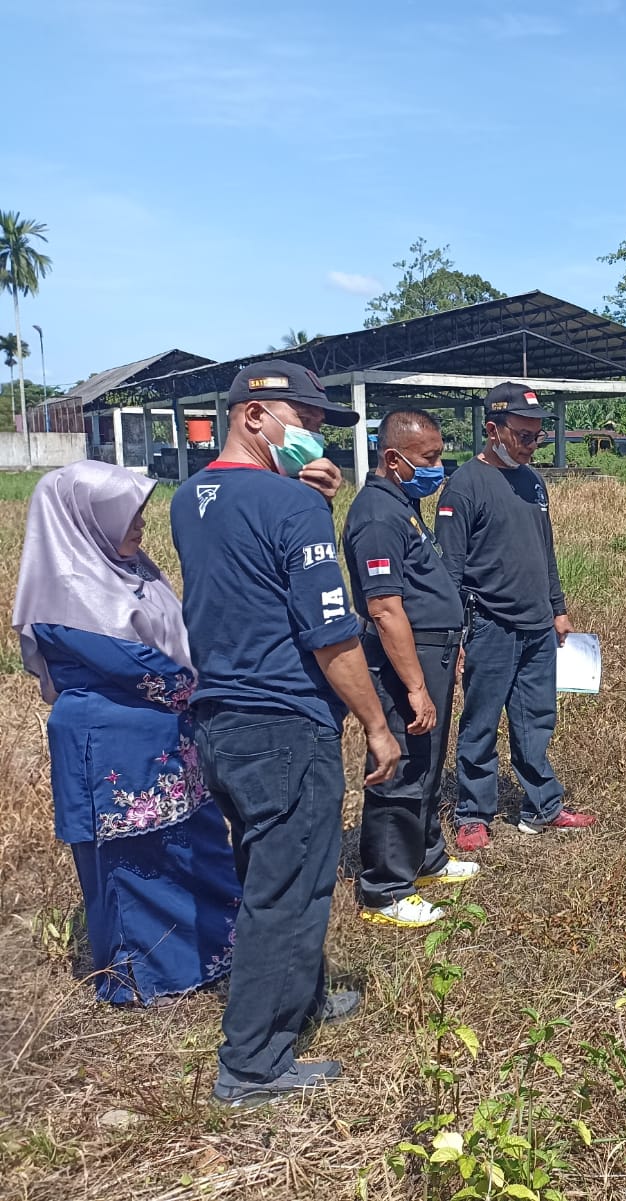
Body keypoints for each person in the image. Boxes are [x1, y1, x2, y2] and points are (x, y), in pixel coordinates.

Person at [171, 360, 401, 1107]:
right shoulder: (291, 507)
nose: (312, 438)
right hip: (283, 724)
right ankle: (253, 1062)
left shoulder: (189, 497)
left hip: (221, 721)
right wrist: (376, 723)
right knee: (292, 886)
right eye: (302, 422)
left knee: (264, 868)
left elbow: (249, 574)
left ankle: (296, 1000)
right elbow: (331, 632)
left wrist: (301, 503)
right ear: (255, 416)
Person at [12, 461, 240, 1007]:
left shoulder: (132, 569)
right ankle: (146, 982)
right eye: (126, 515)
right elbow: (141, 669)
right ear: (84, 520)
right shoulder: (64, 590)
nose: (139, 525)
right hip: (112, 744)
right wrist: (209, 689)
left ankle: (212, 954)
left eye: (139, 512)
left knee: (190, 845)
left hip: (168, 741)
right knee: (132, 863)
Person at [437, 382, 594, 852]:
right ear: (492, 430)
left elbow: (544, 551)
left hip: (537, 626)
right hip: (489, 625)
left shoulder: (533, 482)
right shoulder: (464, 486)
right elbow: (451, 569)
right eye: (523, 436)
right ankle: (473, 813)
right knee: (481, 721)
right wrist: (457, 634)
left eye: (537, 437)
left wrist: (558, 609)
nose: (531, 445)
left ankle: (543, 806)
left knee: (536, 719)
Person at [343, 409, 478, 929]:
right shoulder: (377, 515)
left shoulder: (404, 506)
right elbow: (385, 608)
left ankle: (425, 859)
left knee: (426, 759)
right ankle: (385, 888)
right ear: (393, 458)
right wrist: (416, 686)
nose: (438, 467)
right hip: (405, 661)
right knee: (399, 766)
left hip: (431, 652)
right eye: (429, 458)